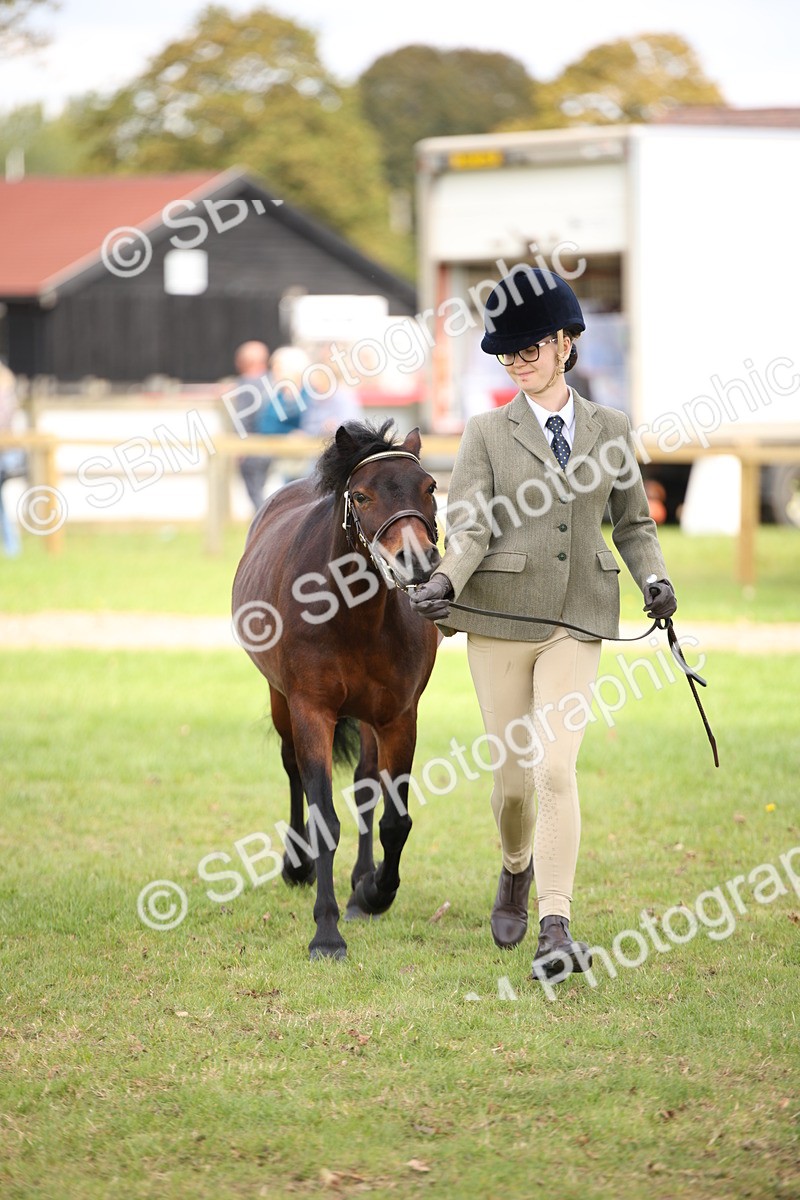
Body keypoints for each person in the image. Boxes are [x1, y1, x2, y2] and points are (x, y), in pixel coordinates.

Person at [409, 267, 677, 984]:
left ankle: (555, 926)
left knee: (555, 767)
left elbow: (634, 523)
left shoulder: (610, 429)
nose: (518, 362)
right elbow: (465, 526)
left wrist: (654, 579)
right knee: (514, 785)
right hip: (499, 617)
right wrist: (443, 580)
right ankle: (514, 867)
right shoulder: (487, 433)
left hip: (578, 617)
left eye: (531, 348)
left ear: (567, 343)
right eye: (507, 353)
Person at [229, 341, 273, 512]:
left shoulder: (245, 384)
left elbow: (242, 418)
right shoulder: (274, 381)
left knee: (256, 493)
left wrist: (239, 447)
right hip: (276, 445)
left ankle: (265, 525)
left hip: (252, 447)